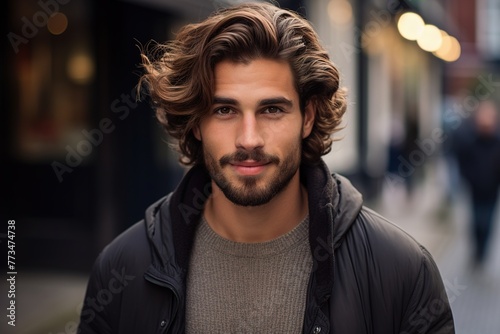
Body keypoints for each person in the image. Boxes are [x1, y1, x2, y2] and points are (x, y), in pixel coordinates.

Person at [78, 2, 454, 333]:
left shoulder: (401, 273)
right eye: (224, 110)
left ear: (307, 117)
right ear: (196, 122)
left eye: (272, 109)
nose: (249, 139)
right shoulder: (120, 270)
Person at [454, 99, 500, 265]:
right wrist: (468, 178)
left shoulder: (496, 140)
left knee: (487, 221)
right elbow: (463, 160)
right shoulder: (470, 139)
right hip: (475, 187)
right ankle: (477, 249)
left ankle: (483, 251)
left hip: (492, 189)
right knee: (476, 221)